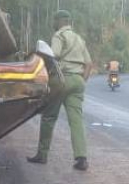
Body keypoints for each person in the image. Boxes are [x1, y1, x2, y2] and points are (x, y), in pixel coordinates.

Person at [27, 10, 93, 171]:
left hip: (61, 79)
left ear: (59, 21)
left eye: (54, 21)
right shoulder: (79, 39)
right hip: (78, 80)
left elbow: (53, 55)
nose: (53, 24)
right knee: (76, 120)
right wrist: (81, 81)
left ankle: (42, 154)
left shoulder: (59, 35)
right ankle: (81, 158)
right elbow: (89, 64)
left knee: (49, 116)